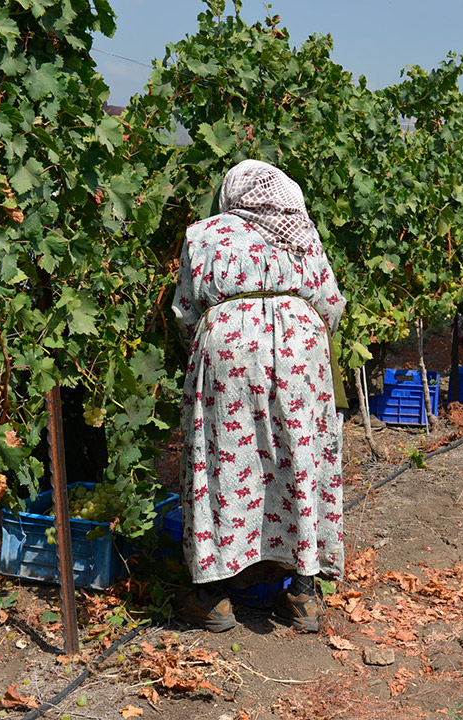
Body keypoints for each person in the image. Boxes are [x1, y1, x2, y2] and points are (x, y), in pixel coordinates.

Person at [172, 160, 346, 633]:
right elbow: (331, 304)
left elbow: (186, 310)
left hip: (228, 346)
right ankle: (303, 593)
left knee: (225, 457)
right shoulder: (302, 233)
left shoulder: (203, 235)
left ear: (232, 193)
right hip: (300, 348)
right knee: (299, 455)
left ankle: (212, 596)